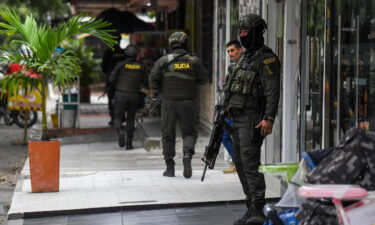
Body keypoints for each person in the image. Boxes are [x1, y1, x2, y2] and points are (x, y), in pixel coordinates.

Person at [223, 14, 281, 225]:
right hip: (237, 118)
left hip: (253, 119)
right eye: (241, 31)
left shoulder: (267, 58)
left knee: (249, 164)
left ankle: (258, 208)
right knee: (240, 163)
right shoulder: (245, 58)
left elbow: (273, 91)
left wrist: (269, 118)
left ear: (257, 32)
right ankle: (251, 206)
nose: (242, 34)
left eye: (246, 31)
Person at [150, 31, 207, 179]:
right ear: (185, 43)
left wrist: (159, 90)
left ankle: (170, 168)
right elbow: (203, 79)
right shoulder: (194, 61)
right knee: (189, 133)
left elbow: (153, 79)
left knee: (167, 134)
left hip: (168, 103)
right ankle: (187, 154)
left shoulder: (163, 60)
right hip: (188, 102)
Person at [109, 44, 147, 149]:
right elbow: (146, 83)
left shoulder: (120, 65)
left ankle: (120, 130)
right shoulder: (141, 66)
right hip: (134, 95)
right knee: (131, 119)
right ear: (136, 54)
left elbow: (111, 79)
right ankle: (129, 144)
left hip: (120, 94)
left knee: (117, 116)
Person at [222, 40, 243, 174]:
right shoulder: (234, 66)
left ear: (240, 50)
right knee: (226, 136)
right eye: (228, 51)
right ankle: (237, 162)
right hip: (232, 108)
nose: (230, 53)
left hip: (238, 109)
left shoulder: (244, 66)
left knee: (225, 136)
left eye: (232, 50)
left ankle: (237, 163)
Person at [101, 34, 126, 126]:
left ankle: (113, 118)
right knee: (122, 99)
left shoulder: (108, 52)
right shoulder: (124, 52)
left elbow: (103, 67)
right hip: (123, 81)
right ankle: (122, 117)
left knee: (111, 99)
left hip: (111, 80)